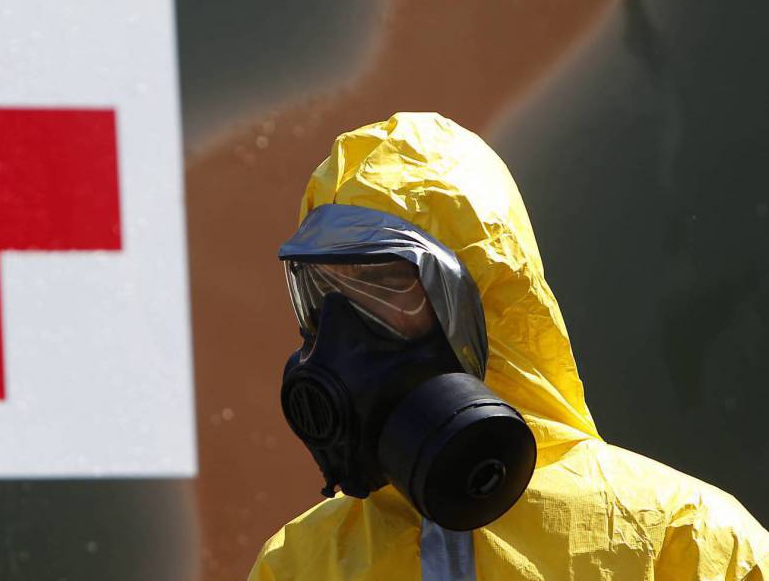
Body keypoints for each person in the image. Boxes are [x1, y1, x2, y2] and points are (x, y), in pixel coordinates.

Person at [249, 113, 769, 580]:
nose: (342, 334)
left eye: (383, 284)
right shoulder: (297, 564)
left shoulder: (685, 542)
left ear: (484, 298)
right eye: (321, 293)